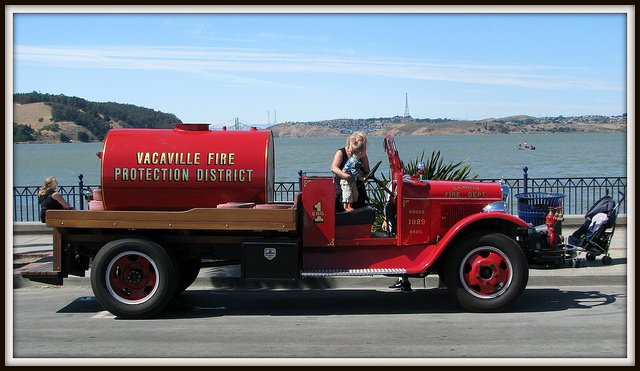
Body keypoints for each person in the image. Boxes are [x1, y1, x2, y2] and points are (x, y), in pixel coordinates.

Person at [331, 131, 371, 212]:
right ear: (352, 142)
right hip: (344, 186)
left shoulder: (362, 155)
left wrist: (364, 175)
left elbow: (367, 169)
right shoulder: (341, 152)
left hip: (358, 187)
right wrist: (346, 176)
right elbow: (334, 167)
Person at [339, 140, 367, 211]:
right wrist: (361, 178)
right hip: (346, 180)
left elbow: (362, 167)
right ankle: (346, 208)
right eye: (365, 151)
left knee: (354, 194)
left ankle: (351, 207)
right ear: (360, 152)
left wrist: (366, 173)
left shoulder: (359, 160)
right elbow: (354, 172)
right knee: (347, 194)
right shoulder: (353, 161)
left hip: (352, 179)